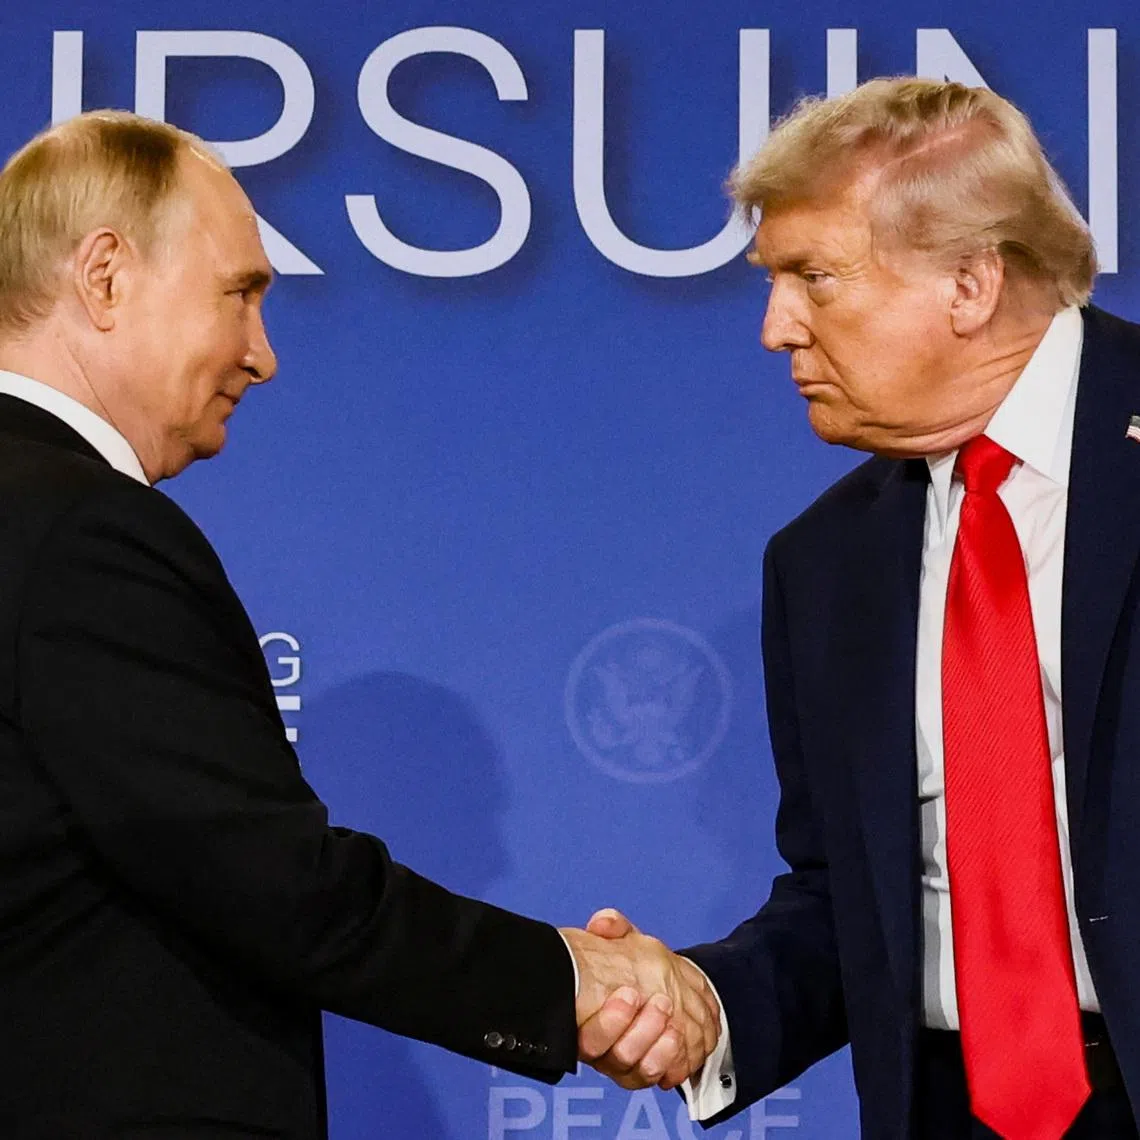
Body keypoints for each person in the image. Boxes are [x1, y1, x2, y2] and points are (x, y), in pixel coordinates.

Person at [0, 110, 719, 1138]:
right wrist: (575, 982)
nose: (264, 355)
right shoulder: (83, 533)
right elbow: (266, 880)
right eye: (240, 294)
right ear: (104, 277)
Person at [580, 78, 1140, 1139]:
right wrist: (708, 1007)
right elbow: (854, 900)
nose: (774, 328)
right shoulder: (825, 560)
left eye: (812, 277)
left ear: (971, 285)